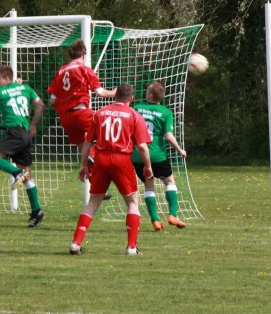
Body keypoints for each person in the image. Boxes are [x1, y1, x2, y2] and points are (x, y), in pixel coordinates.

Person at [69, 84, 153, 256]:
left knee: (93, 202)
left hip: (101, 158)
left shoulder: (99, 114)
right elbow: (143, 147)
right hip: (121, 159)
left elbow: (87, 143)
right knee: (132, 202)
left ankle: (75, 243)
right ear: (131, 98)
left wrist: (83, 165)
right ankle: (131, 247)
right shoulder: (134, 116)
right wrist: (148, 166)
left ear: (115, 95)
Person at [47, 39, 115, 200]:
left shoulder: (60, 71)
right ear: (83, 55)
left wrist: (64, 107)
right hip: (81, 112)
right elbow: (100, 93)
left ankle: (96, 186)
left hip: (66, 117)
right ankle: (98, 160)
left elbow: (52, 100)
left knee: (82, 146)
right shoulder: (85, 70)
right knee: (104, 135)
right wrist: (115, 93)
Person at [0, 66, 46, 227]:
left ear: (6, 79)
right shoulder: (25, 88)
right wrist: (33, 124)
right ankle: (36, 211)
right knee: (28, 176)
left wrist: (13, 86)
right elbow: (41, 105)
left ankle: (16, 173)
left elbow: (3, 95)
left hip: (14, 133)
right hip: (26, 133)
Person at [132, 80, 188, 230]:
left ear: (149, 95)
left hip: (138, 155)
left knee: (148, 186)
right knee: (169, 182)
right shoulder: (165, 112)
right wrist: (180, 150)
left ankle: (155, 220)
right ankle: (172, 215)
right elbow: (169, 136)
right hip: (157, 155)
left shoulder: (136, 108)